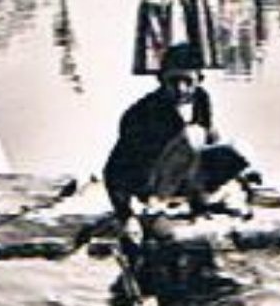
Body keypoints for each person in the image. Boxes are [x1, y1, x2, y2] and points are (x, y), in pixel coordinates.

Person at [105, 44, 258, 227]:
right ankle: (158, 209)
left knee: (239, 149)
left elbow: (211, 139)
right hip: (150, 182)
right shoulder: (143, 113)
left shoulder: (201, 99)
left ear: (199, 79)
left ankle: (202, 202)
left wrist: (242, 179)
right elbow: (115, 169)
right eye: (174, 81)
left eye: (187, 81)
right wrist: (126, 215)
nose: (181, 88)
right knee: (191, 137)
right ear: (161, 80)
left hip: (184, 175)